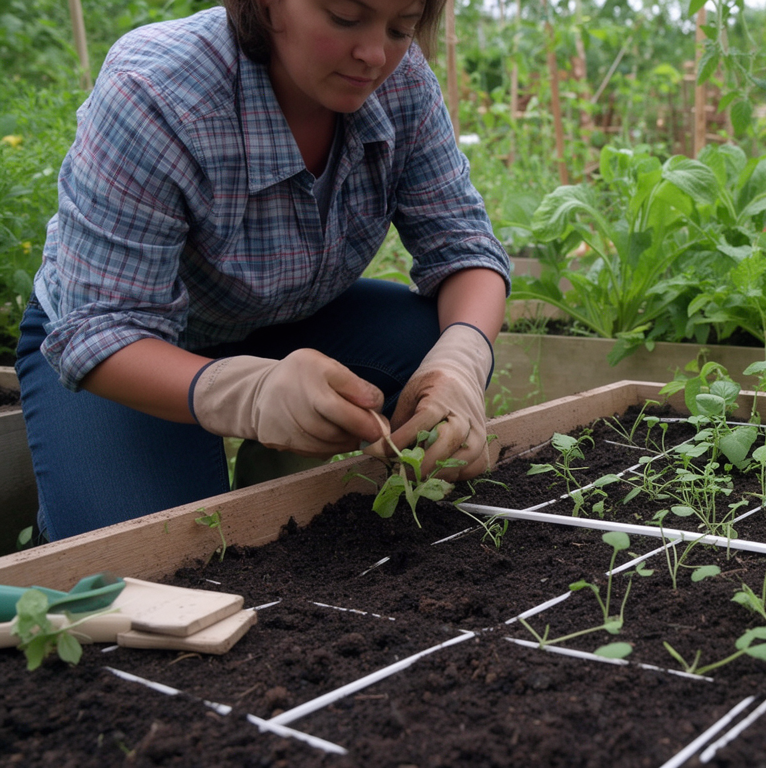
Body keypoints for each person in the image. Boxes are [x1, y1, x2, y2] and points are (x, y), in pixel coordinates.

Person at [15, 0, 510, 541]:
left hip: (290, 318)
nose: (374, 54)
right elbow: (99, 326)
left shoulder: (402, 81)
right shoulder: (156, 92)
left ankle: (278, 472)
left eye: (400, 27)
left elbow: (463, 247)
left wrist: (462, 360)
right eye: (345, 17)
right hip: (129, 347)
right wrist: (248, 395)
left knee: (437, 342)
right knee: (142, 556)